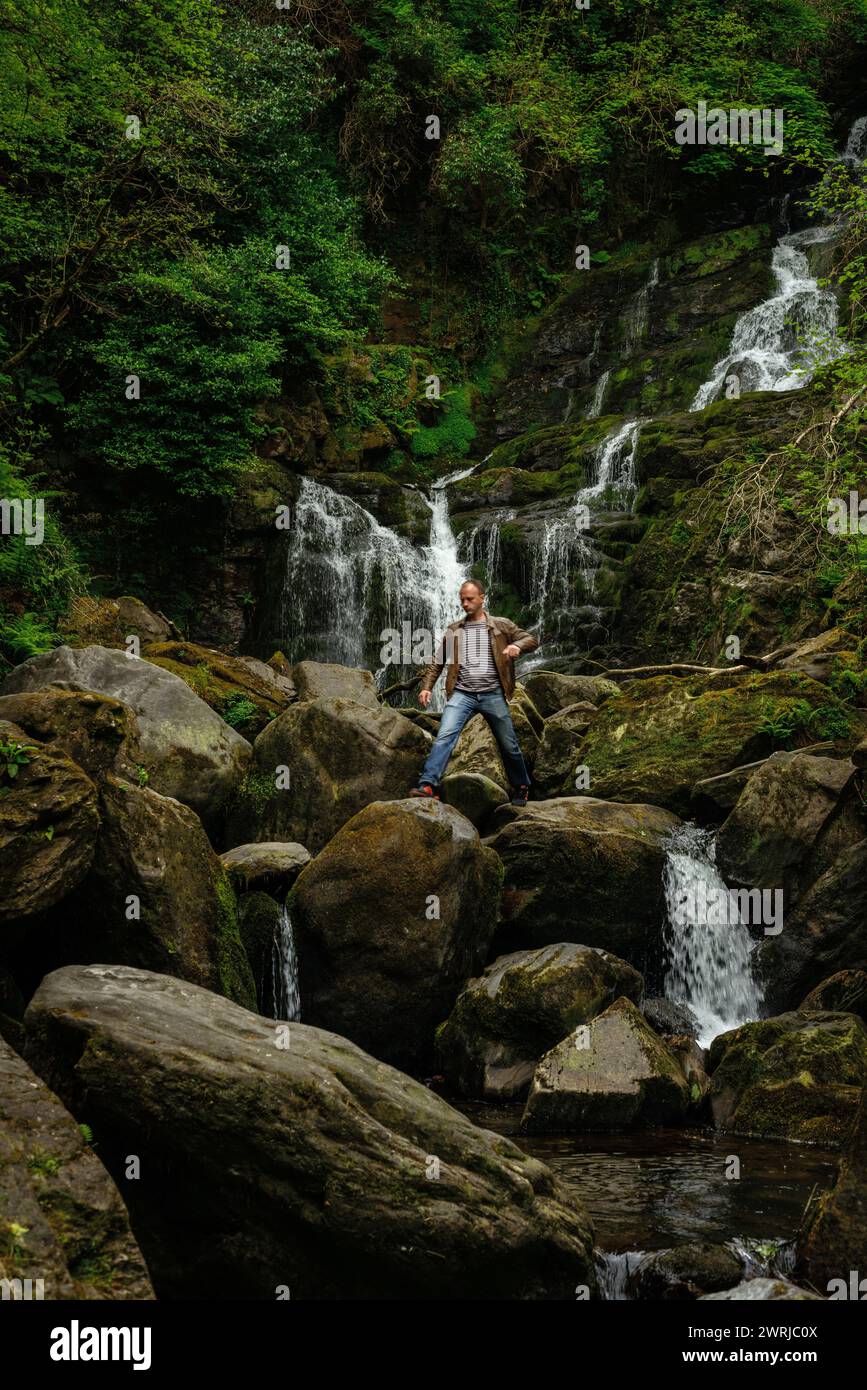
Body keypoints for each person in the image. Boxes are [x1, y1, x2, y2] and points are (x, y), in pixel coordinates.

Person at [409, 579, 539, 806]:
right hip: (462, 694)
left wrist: (517, 646)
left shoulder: (501, 625)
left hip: (492, 694)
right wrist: (426, 687)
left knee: (508, 743)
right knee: (445, 736)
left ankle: (521, 785)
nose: (465, 603)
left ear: (482, 598)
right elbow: (437, 662)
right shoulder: (454, 630)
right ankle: (428, 784)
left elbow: (531, 639)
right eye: (462, 600)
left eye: (469, 599)